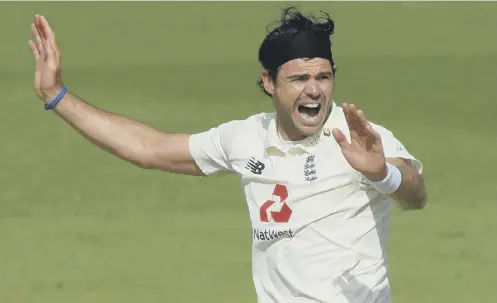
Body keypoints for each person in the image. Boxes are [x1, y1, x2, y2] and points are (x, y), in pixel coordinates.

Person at [28, 7, 427, 303]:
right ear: (269, 82)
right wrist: (56, 96)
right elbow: (148, 149)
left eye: (323, 77)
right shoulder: (245, 138)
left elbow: (415, 193)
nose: (315, 90)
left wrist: (383, 175)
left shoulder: (358, 136)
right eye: (299, 78)